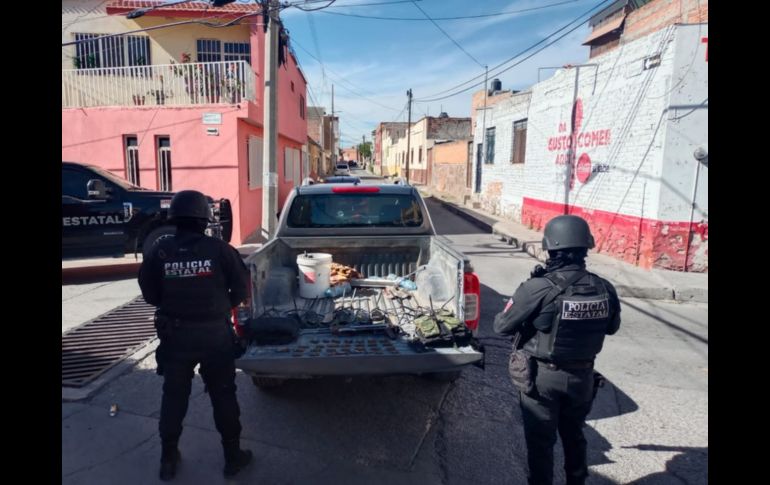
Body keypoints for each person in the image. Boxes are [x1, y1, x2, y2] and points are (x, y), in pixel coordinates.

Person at [493, 215, 621, 485]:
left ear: (550, 248)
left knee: (541, 444)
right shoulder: (604, 287)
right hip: (583, 378)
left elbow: (501, 326)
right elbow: (612, 328)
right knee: (574, 437)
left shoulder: (538, 287)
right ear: (586, 247)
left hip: (543, 380)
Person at [138, 190, 252, 481]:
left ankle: (167, 459)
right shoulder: (220, 250)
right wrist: (218, 307)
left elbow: (150, 294)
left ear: (174, 217)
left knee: (174, 397)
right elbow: (241, 290)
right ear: (205, 218)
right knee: (224, 395)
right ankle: (232, 457)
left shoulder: (159, 251)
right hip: (215, 335)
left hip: (175, 337)